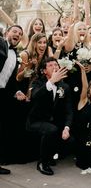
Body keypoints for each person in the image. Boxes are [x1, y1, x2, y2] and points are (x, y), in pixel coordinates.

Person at [26, 57, 73, 175]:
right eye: (51, 65)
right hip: (36, 121)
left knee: (70, 139)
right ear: (44, 71)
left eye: (56, 65)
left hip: (54, 122)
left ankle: (52, 153)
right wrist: (51, 82)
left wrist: (67, 128)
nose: (55, 67)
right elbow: (35, 96)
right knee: (51, 130)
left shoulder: (64, 86)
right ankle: (42, 163)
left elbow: (69, 111)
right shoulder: (38, 82)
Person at [0, 25, 24, 173]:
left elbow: (10, 81)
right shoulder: (1, 43)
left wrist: (16, 92)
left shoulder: (15, 55)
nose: (17, 35)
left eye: (20, 34)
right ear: (6, 32)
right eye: (14, 31)